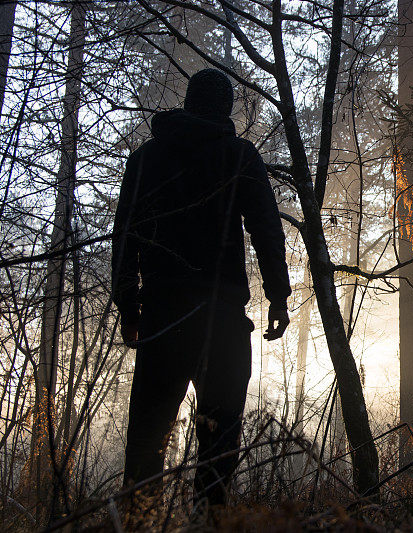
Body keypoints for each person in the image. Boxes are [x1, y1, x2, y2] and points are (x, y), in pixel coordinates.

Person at [111, 68, 291, 507]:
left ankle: (137, 520)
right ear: (226, 108)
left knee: (145, 448)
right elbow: (267, 229)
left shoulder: (146, 159)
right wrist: (278, 296)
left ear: (189, 103)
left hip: (161, 316)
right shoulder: (239, 156)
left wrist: (129, 307)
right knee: (219, 447)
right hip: (222, 320)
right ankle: (208, 522)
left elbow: (125, 237)